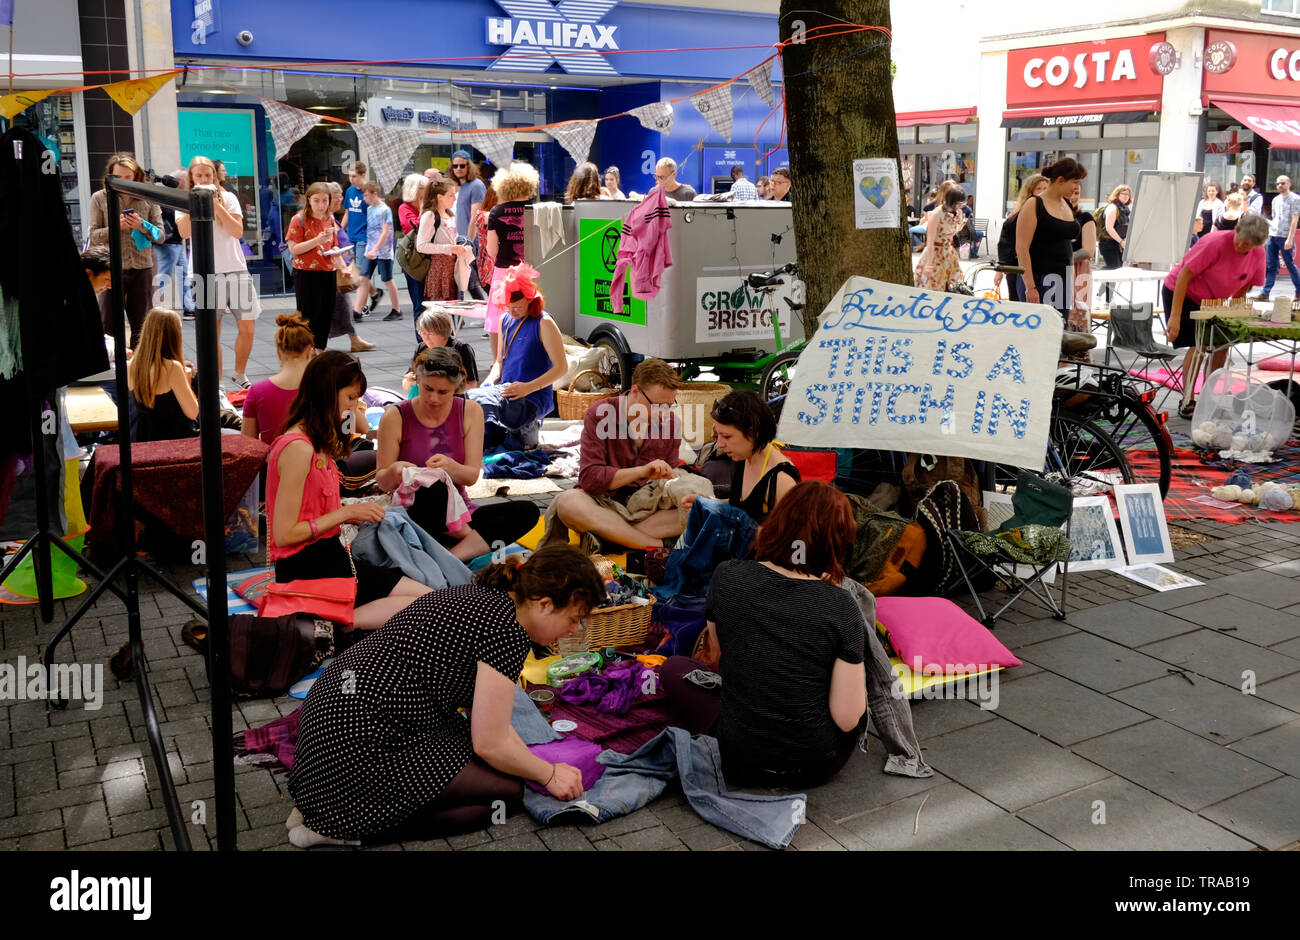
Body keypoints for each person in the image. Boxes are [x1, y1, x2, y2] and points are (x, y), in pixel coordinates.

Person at [286, 544, 602, 847]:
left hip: (335, 722)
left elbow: (492, 721)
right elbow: (490, 742)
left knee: (501, 769)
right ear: (544, 604)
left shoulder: (486, 596)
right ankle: (342, 826)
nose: (575, 630)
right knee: (501, 795)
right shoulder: (507, 632)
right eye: (574, 619)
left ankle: (324, 803)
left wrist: (532, 763)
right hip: (365, 741)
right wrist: (547, 774)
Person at [659, 481, 866, 789]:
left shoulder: (728, 576)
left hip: (738, 757)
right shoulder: (841, 605)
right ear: (836, 542)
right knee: (856, 703)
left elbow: (717, 656)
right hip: (815, 766)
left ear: (777, 523)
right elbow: (847, 719)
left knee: (674, 668)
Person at [267, 350, 432, 634]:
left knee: (427, 598)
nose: (356, 406)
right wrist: (346, 512)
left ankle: (342, 620)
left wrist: (347, 514)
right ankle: (340, 622)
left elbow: (357, 431)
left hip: (329, 557)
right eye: (351, 397)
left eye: (357, 398)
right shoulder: (299, 448)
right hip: (308, 569)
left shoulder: (314, 440)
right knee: (427, 605)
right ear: (326, 394)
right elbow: (283, 534)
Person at [378, 346, 540, 560]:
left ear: (456, 388)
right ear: (417, 380)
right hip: (415, 512)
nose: (433, 398)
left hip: (460, 514)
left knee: (527, 511)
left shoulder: (470, 410)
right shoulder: (395, 416)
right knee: (430, 484)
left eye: (443, 392)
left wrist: (450, 467)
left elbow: (471, 476)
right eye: (427, 389)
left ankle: (451, 556)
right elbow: (382, 482)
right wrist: (395, 470)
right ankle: (467, 544)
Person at [551, 358, 684, 551]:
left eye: (669, 405)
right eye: (657, 406)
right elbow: (589, 479)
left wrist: (673, 482)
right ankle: (656, 544)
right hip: (603, 503)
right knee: (568, 503)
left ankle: (610, 537)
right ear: (636, 391)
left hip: (646, 506)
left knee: (697, 508)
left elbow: (670, 479)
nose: (664, 414)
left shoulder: (671, 423)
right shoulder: (600, 414)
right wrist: (641, 472)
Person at [1164, 212, 1268, 414]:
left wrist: (1231, 313)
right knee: (1199, 344)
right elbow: (1184, 275)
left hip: (1214, 300)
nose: (1241, 247)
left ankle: (1208, 398)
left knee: (1222, 343)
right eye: (1240, 241)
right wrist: (1175, 317)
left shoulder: (1258, 254)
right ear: (1235, 231)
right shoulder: (1214, 242)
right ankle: (1187, 401)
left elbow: (1245, 285)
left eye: (1248, 245)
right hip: (1184, 292)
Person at [175, 155, 262, 390]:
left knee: (248, 325)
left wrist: (217, 206)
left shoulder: (229, 198)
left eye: (208, 175)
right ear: (192, 178)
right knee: (212, 331)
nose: (204, 179)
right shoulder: (183, 200)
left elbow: (237, 231)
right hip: (204, 272)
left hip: (235, 267)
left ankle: (239, 373)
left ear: (214, 176)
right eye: (199, 175)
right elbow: (183, 232)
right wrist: (194, 204)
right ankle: (219, 382)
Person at [467, 263, 567, 451]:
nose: (512, 312)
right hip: (507, 392)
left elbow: (561, 368)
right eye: (508, 307)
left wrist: (528, 387)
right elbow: (499, 362)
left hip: (532, 396)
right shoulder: (505, 320)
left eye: (517, 307)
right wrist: (488, 381)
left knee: (481, 405)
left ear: (530, 299)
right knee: (469, 400)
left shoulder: (544, 322)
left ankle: (525, 430)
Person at [88, 153, 165, 346]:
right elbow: (94, 236)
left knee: (142, 323)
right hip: (111, 268)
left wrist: (142, 226)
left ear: (136, 176)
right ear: (110, 176)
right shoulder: (99, 198)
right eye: (118, 177)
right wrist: (116, 227)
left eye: (128, 177)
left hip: (142, 267)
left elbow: (161, 236)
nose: (123, 181)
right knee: (109, 323)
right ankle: (114, 369)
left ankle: (140, 367)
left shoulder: (148, 197)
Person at [691, 390, 799, 522]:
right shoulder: (744, 457)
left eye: (727, 436)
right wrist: (711, 503)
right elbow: (742, 506)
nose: (719, 445)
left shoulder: (781, 481)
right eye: (718, 435)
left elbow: (793, 537)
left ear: (753, 432)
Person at [481, 161, 538, 367]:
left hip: (504, 272)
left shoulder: (496, 212)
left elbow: (492, 250)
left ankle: (498, 362)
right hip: (530, 271)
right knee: (529, 314)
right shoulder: (536, 210)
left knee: (498, 318)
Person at [1016, 157, 1086, 317]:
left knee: (1058, 329)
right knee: (1038, 330)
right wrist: (1030, 287)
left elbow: (1066, 245)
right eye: (1074, 182)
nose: (1077, 188)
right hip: (1038, 277)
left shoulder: (1066, 204)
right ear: (1061, 180)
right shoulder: (1034, 204)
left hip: (1061, 278)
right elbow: (1021, 248)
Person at [286, 182, 345, 352]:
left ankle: (320, 349)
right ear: (309, 200)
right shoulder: (299, 219)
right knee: (308, 313)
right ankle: (306, 349)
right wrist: (317, 241)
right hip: (306, 272)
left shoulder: (330, 218)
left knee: (326, 312)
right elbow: (294, 249)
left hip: (327, 270)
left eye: (325, 200)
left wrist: (338, 256)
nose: (321, 205)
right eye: (317, 200)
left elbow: (334, 244)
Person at [126, 307, 198, 443]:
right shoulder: (172, 368)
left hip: (144, 438)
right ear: (174, 335)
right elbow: (193, 413)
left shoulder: (132, 365)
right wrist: (188, 381)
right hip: (175, 441)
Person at [242, 313, 315, 446]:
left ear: (278, 351)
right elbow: (345, 432)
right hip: (318, 464)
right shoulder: (324, 386)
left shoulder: (257, 391)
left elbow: (248, 446)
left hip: (272, 464)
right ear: (310, 352)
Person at [324, 182, 375, 353]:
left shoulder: (331, 217)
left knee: (342, 306)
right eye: (336, 196)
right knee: (336, 308)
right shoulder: (325, 219)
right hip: (332, 271)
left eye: (340, 196)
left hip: (340, 269)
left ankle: (354, 340)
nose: (340, 200)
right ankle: (314, 345)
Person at [417, 178, 472, 310]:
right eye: (451, 195)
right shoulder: (430, 215)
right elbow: (421, 245)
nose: (454, 198)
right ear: (439, 197)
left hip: (453, 266)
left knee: (452, 308)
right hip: (439, 268)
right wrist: (450, 248)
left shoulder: (449, 214)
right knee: (440, 310)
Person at [352, 182, 402, 322]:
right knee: (363, 278)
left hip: (383, 251)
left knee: (387, 279)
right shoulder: (370, 209)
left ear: (375, 194)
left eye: (367, 195)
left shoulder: (384, 210)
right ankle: (357, 311)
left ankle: (396, 309)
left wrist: (375, 249)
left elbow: (386, 232)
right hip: (371, 249)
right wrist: (371, 249)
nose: (364, 199)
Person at [402, 307, 480, 396]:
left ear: (443, 331)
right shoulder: (421, 348)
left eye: (431, 334)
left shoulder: (461, 349)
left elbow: (471, 385)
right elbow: (406, 386)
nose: (426, 338)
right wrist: (410, 381)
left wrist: (442, 393)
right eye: (423, 333)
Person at [994, 174, 1047, 302]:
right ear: (1030, 192)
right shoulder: (1019, 215)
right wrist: (1000, 270)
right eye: (1039, 188)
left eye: (1046, 188)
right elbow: (1006, 243)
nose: (1043, 192)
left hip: (1041, 271)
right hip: (1018, 269)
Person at [1066, 182, 1098, 354]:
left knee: (1078, 313)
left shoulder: (1085, 217)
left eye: (1076, 192)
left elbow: (1089, 250)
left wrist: (1063, 258)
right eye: (1071, 192)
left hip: (1078, 270)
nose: (1073, 196)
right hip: (1057, 269)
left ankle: (1079, 355)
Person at [915, 187, 966, 292]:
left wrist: (960, 223)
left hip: (949, 253)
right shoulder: (937, 214)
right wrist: (929, 264)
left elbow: (953, 231)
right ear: (952, 202)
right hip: (935, 253)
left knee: (953, 287)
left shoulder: (957, 213)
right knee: (933, 286)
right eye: (959, 203)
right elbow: (930, 241)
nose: (961, 206)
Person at [1258, 175, 1300, 301]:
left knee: (1289, 264)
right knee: (1272, 265)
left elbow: (1295, 220)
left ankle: (1299, 291)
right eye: (1277, 183)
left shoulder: (1295, 199)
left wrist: (1289, 238)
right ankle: (1265, 293)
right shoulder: (1275, 199)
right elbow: (1275, 218)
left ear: (1289, 184)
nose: (1279, 185)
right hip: (1273, 234)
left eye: (1282, 183)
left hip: (1284, 236)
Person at [399, 172, 430, 326]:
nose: (427, 190)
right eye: (423, 187)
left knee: (431, 303)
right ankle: (421, 343)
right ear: (414, 190)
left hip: (429, 257)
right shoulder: (404, 208)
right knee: (419, 303)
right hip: (414, 260)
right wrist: (423, 209)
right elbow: (416, 227)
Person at [450, 150, 486, 260]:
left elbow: (475, 219)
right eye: (455, 166)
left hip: (471, 242)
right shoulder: (457, 186)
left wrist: (468, 244)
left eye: (462, 165)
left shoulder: (476, 185)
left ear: (469, 166)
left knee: (470, 276)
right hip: (458, 241)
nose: (458, 169)